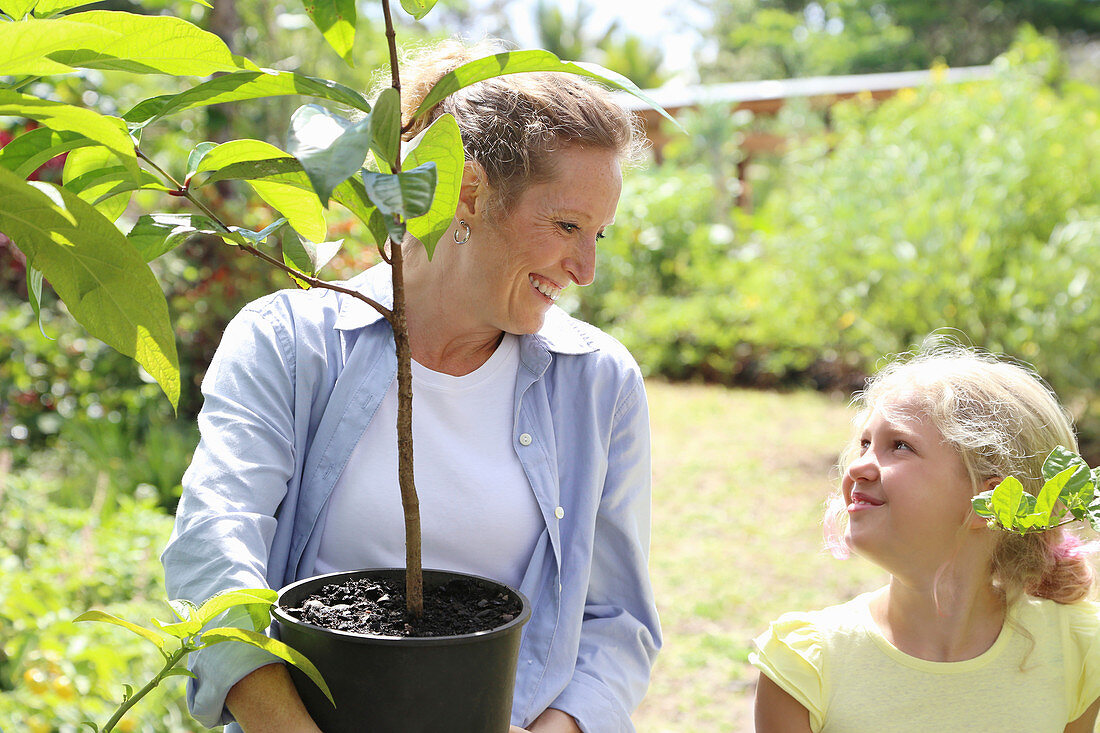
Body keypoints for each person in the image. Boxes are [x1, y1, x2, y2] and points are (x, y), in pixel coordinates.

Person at [162, 39, 660, 733]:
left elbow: (618, 619)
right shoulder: (291, 343)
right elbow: (214, 549)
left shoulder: (598, 383)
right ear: (468, 193)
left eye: (598, 234)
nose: (585, 269)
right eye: (567, 225)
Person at [750, 344, 1100, 732]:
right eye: (865, 443)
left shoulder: (1076, 651)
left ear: (993, 499)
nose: (860, 466)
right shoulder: (806, 665)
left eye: (900, 446)